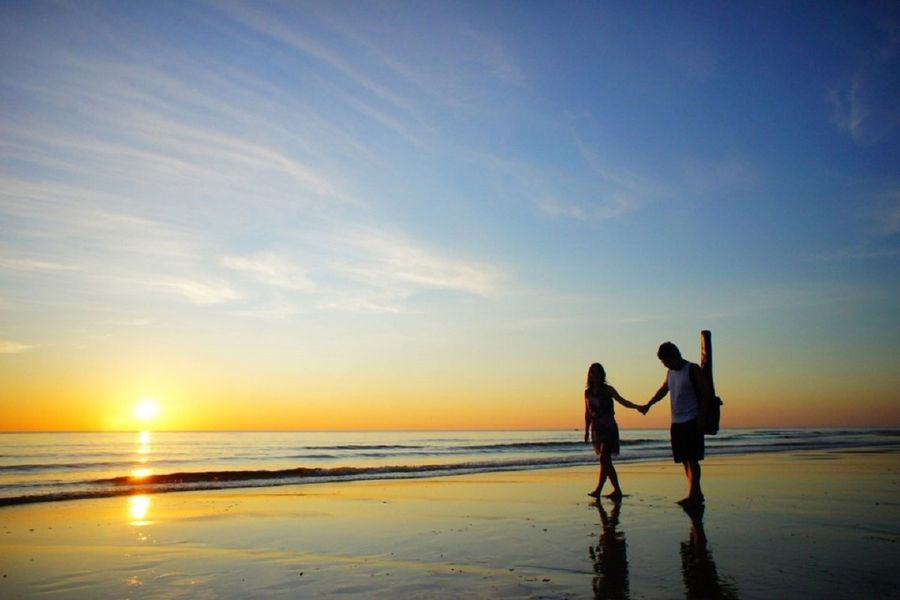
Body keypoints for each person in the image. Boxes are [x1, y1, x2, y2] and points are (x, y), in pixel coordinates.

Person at [640, 342, 714, 507]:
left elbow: (706, 394)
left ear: (674, 355)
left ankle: (693, 494)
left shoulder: (692, 369)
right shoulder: (670, 373)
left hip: (692, 419)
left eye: (664, 360)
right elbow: (663, 390)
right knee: (684, 460)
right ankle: (696, 492)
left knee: (692, 459)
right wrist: (648, 404)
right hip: (676, 422)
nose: (664, 364)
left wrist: (701, 419)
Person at [583, 362, 643, 499]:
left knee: (604, 458)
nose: (595, 375)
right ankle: (611, 490)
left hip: (609, 427)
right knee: (605, 460)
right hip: (596, 429)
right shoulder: (587, 392)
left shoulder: (608, 390)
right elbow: (587, 413)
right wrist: (586, 430)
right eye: (592, 372)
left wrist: (637, 407)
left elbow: (622, 401)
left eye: (597, 372)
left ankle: (607, 489)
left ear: (602, 374)